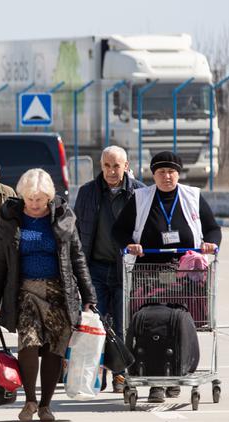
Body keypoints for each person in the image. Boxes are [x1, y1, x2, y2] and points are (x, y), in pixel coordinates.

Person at [0, 168, 97, 422]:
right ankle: (30, 401)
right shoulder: (11, 217)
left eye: (40, 199)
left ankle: (46, 405)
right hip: (25, 291)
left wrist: (89, 294)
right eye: (30, 199)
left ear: (48, 197)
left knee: (53, 349)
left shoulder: (63, 217)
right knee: (29, 342)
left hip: (59, 292)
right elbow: (0, 260)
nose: (35, 205)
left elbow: (77, 257)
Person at [112, 151, 222, 403]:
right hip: (148, 273)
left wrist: (210, 244)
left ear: (178, 174)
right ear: (153, 175)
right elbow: (118, 231)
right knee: (153, 326)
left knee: (181, 324)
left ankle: (177, 373)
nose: (167, 176)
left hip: (185, 275)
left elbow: (212, 229)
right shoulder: (140, 198)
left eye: (171, 171)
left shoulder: (193, 196)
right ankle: (156, 385)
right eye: (161, 172)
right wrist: (130, 245)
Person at [73, 145, 145, 393]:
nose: (112, 171)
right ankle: (98, 372)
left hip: (126, 270)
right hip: (95, 270)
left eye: (117, 166)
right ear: (100, 166)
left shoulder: (140, 193)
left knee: (123, 323)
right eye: (107, 165)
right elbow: (76, 231)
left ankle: (121, 374)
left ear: (126, 166)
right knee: (98, 324)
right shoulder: (87, 193)